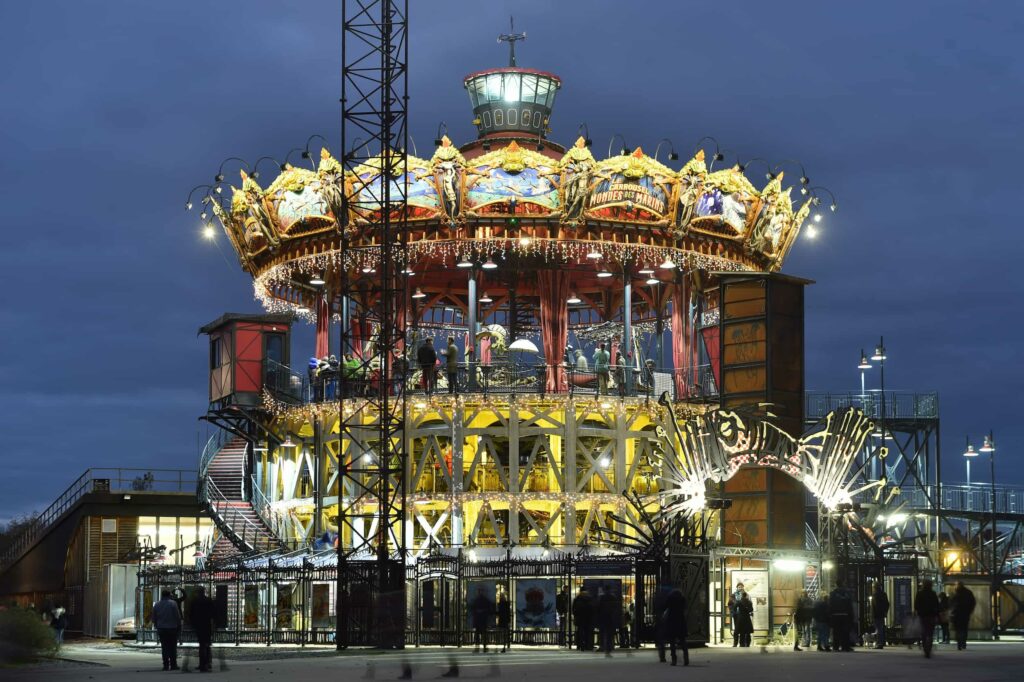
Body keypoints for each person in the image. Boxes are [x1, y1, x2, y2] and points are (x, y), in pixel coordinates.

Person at [152, 589, 182, 671]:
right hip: (172, 628)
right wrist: (179, 625)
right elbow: (177, 616)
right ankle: (173, 664)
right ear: (169, 595)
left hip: (161, 628)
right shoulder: (173, 604)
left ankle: (165, 665)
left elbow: (154, 617)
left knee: (164, 647)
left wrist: (156, 625)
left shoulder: (157, 604)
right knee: (172, 647)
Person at [189, 587, 217, 672]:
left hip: (199, 625)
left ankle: (202, 664)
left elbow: (191, 614)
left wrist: (193, 624)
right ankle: (208, 663)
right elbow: (214, 613)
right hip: (207, 624)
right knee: (207, 644)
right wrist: (214, 624)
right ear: (204, 592)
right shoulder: (208, 601)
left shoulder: (195, 602)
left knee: (202, 645)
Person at [659, 588, 689, 666]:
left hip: (672, 621)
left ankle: (674, 660)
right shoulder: (682, 599)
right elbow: (685, 608)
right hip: (680, 621)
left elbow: (665, 606)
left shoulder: (670, 598)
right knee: (683, 641)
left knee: (672, 642)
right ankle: (686, 658)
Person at [914, 579, 940, 658]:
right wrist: (936, 614)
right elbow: (937, 605)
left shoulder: (919, 593)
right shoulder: (933, 594)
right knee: (930, 632)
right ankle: (929, 646)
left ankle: (925, 648)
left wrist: (918, 611)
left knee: (924, 632)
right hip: (931, 615)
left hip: (922, 616)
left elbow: (916, 605)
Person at [829, 580, 854, 652]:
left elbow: (830, 605)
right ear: (842, 584)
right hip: (845, 615)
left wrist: (830, 615)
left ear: (836, 584)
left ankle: (835, 647)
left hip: (835, 615)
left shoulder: (833, 593)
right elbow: (850, 605)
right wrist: (851, 615)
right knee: (845, 632)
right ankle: (845, 646)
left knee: (836, 631)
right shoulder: (847, 593)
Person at [951, 581, 976, 650]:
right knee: (964, 628)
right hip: (965, 613)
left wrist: (952, 611)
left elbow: (951, 603)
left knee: (958, 629)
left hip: (957, 614)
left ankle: (959, 643)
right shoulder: (968, 592)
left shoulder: (955, 593)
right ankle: (963, 642)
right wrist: (970, 611)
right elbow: (973, 602)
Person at [596, 586, 619, 657]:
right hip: (610, 618)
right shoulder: (613, 597)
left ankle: (602, 646)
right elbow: (616, 608)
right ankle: (609, 647)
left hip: (603, 618)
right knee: (609, 634)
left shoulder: (602, 598)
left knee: (602, 633)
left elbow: (598, 608)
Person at [470, 587, 494, 653]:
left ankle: (481, 648)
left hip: (480, 620)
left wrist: (479, 611)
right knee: (482, 635)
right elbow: (490, 610)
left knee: (480, 635)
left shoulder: (478, 600)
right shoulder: (484, 600)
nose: (480, 592)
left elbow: (473, 610)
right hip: (482, 620)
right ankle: (483, 648)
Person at [871, 582, 890, 649]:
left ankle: (879, 643)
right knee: (881, 628)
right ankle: (881, 642)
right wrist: (885, 612)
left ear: (875, 588)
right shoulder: (884, 594)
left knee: (878, 629)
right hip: (882, 614)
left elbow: (875, 605)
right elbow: (887, 604)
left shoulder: (875, 595)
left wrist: (873, 614)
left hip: (876, 615)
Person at [727, 582, 746, 647]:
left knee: (743, 629)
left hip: (743, 615)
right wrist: (733, 612)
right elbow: (729, 604)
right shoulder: (733, 595)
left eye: (741, 587)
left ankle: (742, 643)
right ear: (737, 588)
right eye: (739, 587)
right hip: (736, 615)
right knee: (737, 629)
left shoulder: (746, 595)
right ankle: (735, 643)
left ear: (743, 587)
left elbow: (748, 604)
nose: (740, 588)